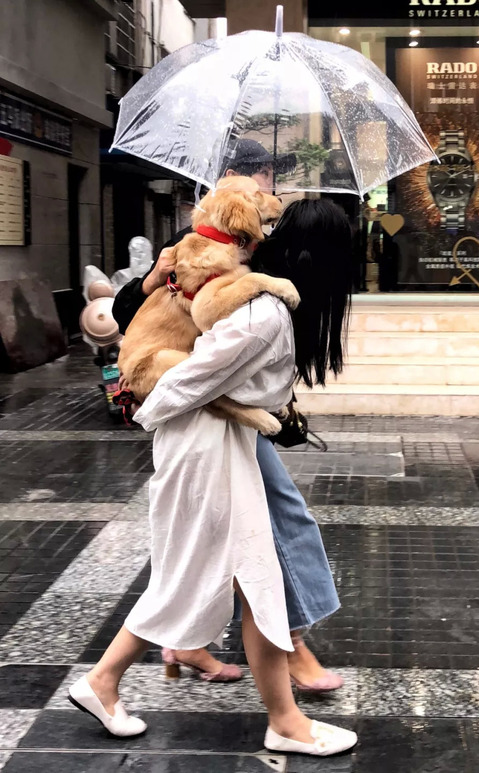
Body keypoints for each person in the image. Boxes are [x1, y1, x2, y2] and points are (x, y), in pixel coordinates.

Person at [69, 199, 356, 757]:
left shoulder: (266, 309)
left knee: (232, 580)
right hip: (204, 448)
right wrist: (146, 413)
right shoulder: (263, 314)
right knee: (231, 580)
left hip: (221, 444)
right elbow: (188, 381)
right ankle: (282, 721)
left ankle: (106, 682)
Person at [112, 143, 343, 691]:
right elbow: (138, 319)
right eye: (262, 179)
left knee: (218, 543)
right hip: (195, 406)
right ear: (237, 176)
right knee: (259, 536)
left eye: (269, 182)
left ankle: (186, 646)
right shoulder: (203, 238)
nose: (269, 194)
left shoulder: (256, 240)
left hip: (213, 406)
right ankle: (285, 659)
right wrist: (155, 280)